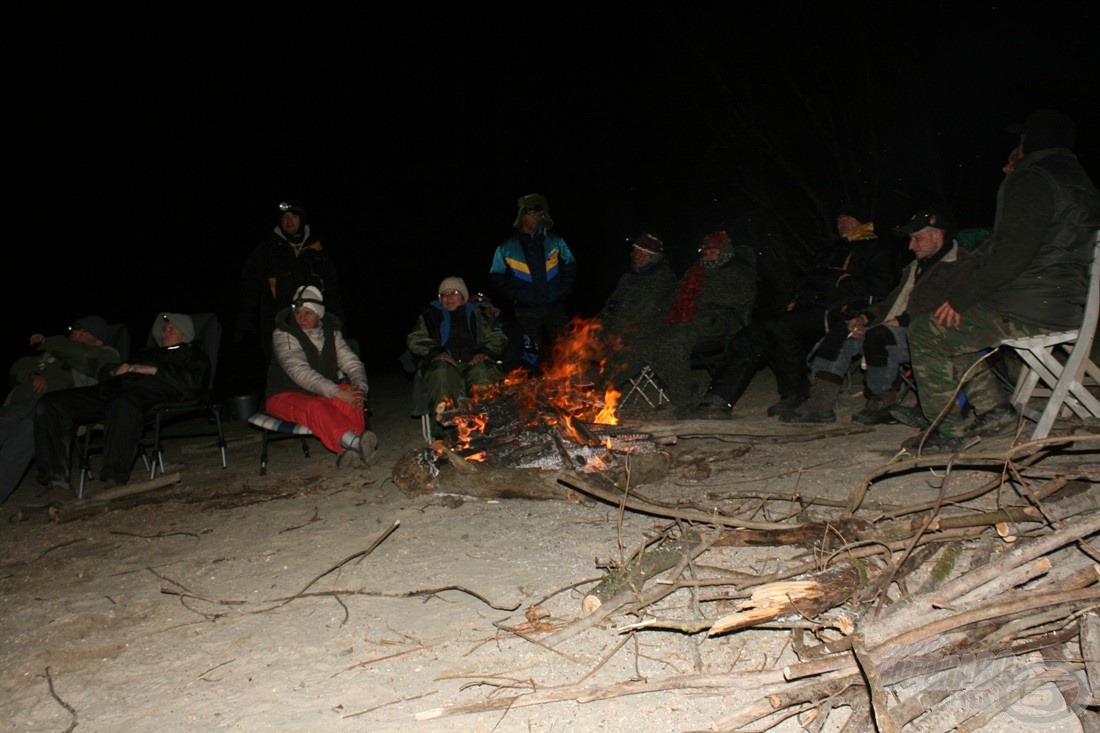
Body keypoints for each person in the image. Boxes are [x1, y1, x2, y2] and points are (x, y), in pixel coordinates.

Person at [901, 109, 1100, 451]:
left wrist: (963, 296)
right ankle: (995, 410)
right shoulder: (1082, 182)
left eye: (1021, 140)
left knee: (925, 331)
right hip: (1067, 304)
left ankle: (946, 432)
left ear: (1030, 141)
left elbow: (1012, 253)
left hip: (1030, 307)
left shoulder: (1032, 179)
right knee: (954, 326)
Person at [695, 207, 897, 417]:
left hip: (841, 311)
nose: (841, 223)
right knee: (750, 334)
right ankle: (718, 400)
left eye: (848, 218)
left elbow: (880, 287)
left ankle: (796, 393)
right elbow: (806, 281)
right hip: (809, 309)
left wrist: (836, 281)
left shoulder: (876, 247)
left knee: (780, 327)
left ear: (862, 221)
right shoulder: (830, 250)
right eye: (838, 220)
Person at [782, 208, 977, 424]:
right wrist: (864, 318)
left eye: (917, 238)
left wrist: (900, 321)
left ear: (937, 236)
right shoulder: (914, 267)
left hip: (933, 334)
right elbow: (889, 302)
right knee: (843, 330)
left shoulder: (961, 265)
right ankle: (820, 403)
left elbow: (949, 307)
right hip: (899, 327)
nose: (911, 245)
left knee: (880, 336)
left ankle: (882, 400)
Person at [34, 313, 209, 490]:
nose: (164, 333)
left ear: (185, 334)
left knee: (123, 403)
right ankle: (54, 481)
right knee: (52, 403)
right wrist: (114, 371)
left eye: (171, 329)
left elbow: (194, 383)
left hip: (148, 396)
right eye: (164, 329)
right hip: (110, 390)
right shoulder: (145, 352)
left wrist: (151, 370)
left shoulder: (192, 354)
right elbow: (104, 373)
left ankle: (114, 477)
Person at [0, 316, 119, 503]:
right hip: (19, 405)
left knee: (26, 430)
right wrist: (33, 374)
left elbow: (85, 359)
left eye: (82, 333)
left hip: (53, 411)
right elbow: (19, 365)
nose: (74, 335)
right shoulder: (51, 354)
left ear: (98, 340)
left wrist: (49, 342)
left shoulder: (105, 354)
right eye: (73, 331)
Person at [265, 286, 376, 467]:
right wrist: (334, 392)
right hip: (283, 395)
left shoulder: (332, 334)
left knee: (351, 393)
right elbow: (299, 371)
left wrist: (361, 388)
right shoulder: (283, 334)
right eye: (298, 312)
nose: (301, 318)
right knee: (315, 406)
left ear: (319, 315)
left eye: (308, 313)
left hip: (319, 392)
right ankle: (357, 443)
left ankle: (350, 451)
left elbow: (352, 363)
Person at [650, 229, 757, 409]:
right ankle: (685, 389)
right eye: (705, 249)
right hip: (688, 321)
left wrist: (706, 297)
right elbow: (675, 298)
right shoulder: (695, 272)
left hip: (720, 322)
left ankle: (684, 401)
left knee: (673, 344)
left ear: (724, 251)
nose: (707, 252)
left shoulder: (738, 270)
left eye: (713, 249)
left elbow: (743, 299)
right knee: (650, 343)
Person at [234, 200, 346, 364]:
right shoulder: (266, 250)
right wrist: (245, 316)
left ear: (302, 219)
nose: (289, 220)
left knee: (320, 365)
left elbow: (332, 288)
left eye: (294, 216)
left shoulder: (317, 250)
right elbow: (249, 285)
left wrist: (337, 319)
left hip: (314, 322)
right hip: (280, 323)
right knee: (283, 368)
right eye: (285, 217)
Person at [407, 276, 507, 436]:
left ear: (464, 296)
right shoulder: (430, 314)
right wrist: (436, 352)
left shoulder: (478, 313)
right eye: (444, 295)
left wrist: (484, 352)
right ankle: (444, 434)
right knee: (441, 372)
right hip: (445, 362)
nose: (448, 297)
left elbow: (497, 336)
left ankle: (485, 429)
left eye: (454, 292)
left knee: (483, 371)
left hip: (474, 361)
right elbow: (415, 338)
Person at [489, 194, 577, 365]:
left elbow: (570, 266)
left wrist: (563, 290)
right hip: (525, 309)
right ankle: (531, 387)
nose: (538, 217)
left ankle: (569, 385)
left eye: (541, 214)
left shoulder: (556, 242)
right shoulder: (506, 247)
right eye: (533, 213)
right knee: (529, 352)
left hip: (555, 306)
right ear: (523, 216)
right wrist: (517, 294)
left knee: (567, 348)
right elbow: (496, 276)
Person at [596, 232, 679, 385]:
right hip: (619, 331)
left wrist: (622, 336)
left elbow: (647, 315)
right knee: (582, 342)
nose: (639, 258)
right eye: (638, 253)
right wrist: (600, 328)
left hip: (646, 334)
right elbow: (611, 307)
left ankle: (601, 390)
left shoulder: (662, 279)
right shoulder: (628, 278)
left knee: (621, 361)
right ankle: (568, 389)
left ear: (654, 257)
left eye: (645, 255)